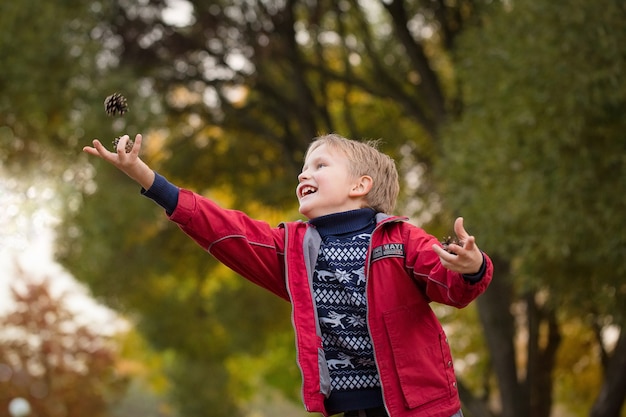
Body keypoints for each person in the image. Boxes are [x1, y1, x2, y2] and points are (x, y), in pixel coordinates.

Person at [83, 133, 493, 417]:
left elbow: (450, 282)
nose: (303, 174)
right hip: (353, 408)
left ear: (360, 185)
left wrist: (471, 267)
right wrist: (148, 180)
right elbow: (226, 229)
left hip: (424, 408)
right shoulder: (294, 250)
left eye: (319, 164)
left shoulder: (400, 238)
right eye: (303, 166)